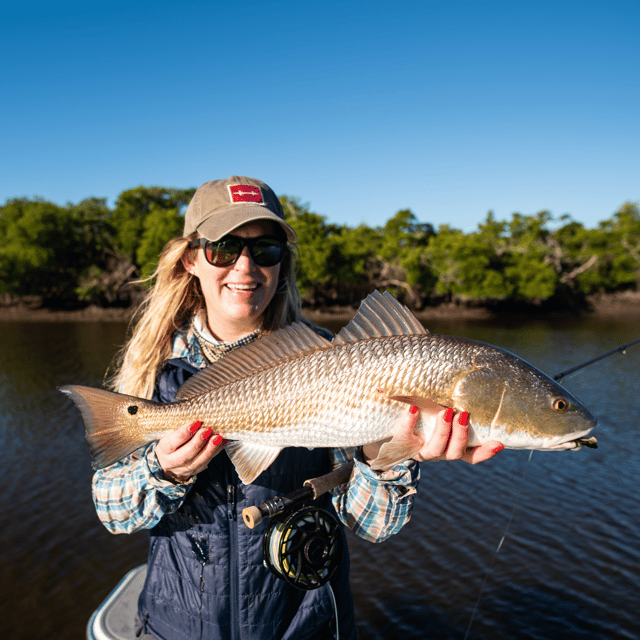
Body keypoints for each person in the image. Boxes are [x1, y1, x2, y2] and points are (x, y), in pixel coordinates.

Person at [92, 176, 504, 640]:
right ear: (191, 259)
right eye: (224, 249)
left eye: (265, 249)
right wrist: (161, 469)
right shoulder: (153, 367)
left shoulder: (337, 363)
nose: (245, 266)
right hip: (177, 627)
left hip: (302, 627)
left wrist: (388, 458)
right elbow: (113, 512)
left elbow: (374, 524)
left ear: (282, 264)